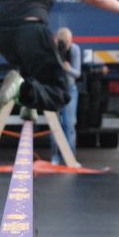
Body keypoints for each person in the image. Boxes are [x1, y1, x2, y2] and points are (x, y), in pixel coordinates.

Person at [50, 27, 81, 165]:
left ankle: (70, 156)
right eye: (64, 41)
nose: (66, 45)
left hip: (69, 89)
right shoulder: (52, 50)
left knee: (69, 123)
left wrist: (68, 69)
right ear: (57, 40)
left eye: (69, 41)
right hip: (54, 89)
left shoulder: (74, 50)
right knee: (55, 123)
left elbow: (77, 73)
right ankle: (55, 156)